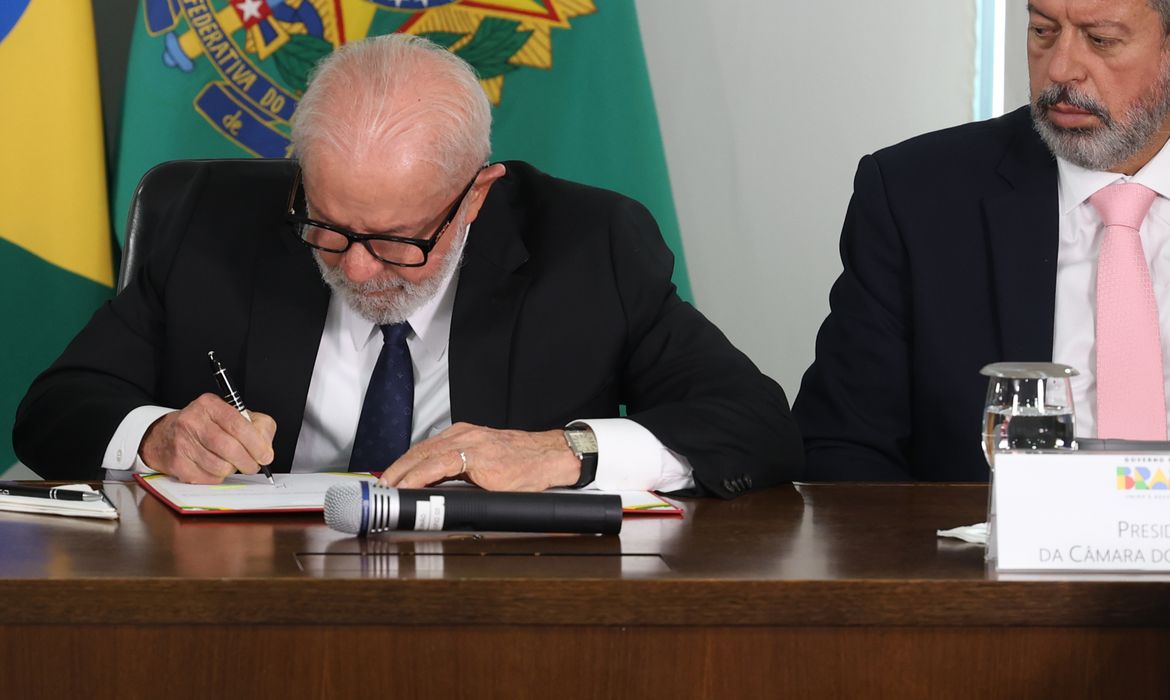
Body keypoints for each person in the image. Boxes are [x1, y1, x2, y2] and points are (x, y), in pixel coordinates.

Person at [14, 34, 801, 498]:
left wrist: (566, 452)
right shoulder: (210, 221)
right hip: (253, 605)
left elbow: (756, 424)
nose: (357, 273)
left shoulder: (588, 244)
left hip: (499, 617)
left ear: (476, 196)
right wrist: (157, 438)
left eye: (397, 241)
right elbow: (55, 408)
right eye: (326, 227)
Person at [794, 0, 1170, 481]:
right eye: (1042, 31)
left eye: (1101, 40)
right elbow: (841, 445)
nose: (1060, 67)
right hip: (974, 554)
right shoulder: (916, 196)